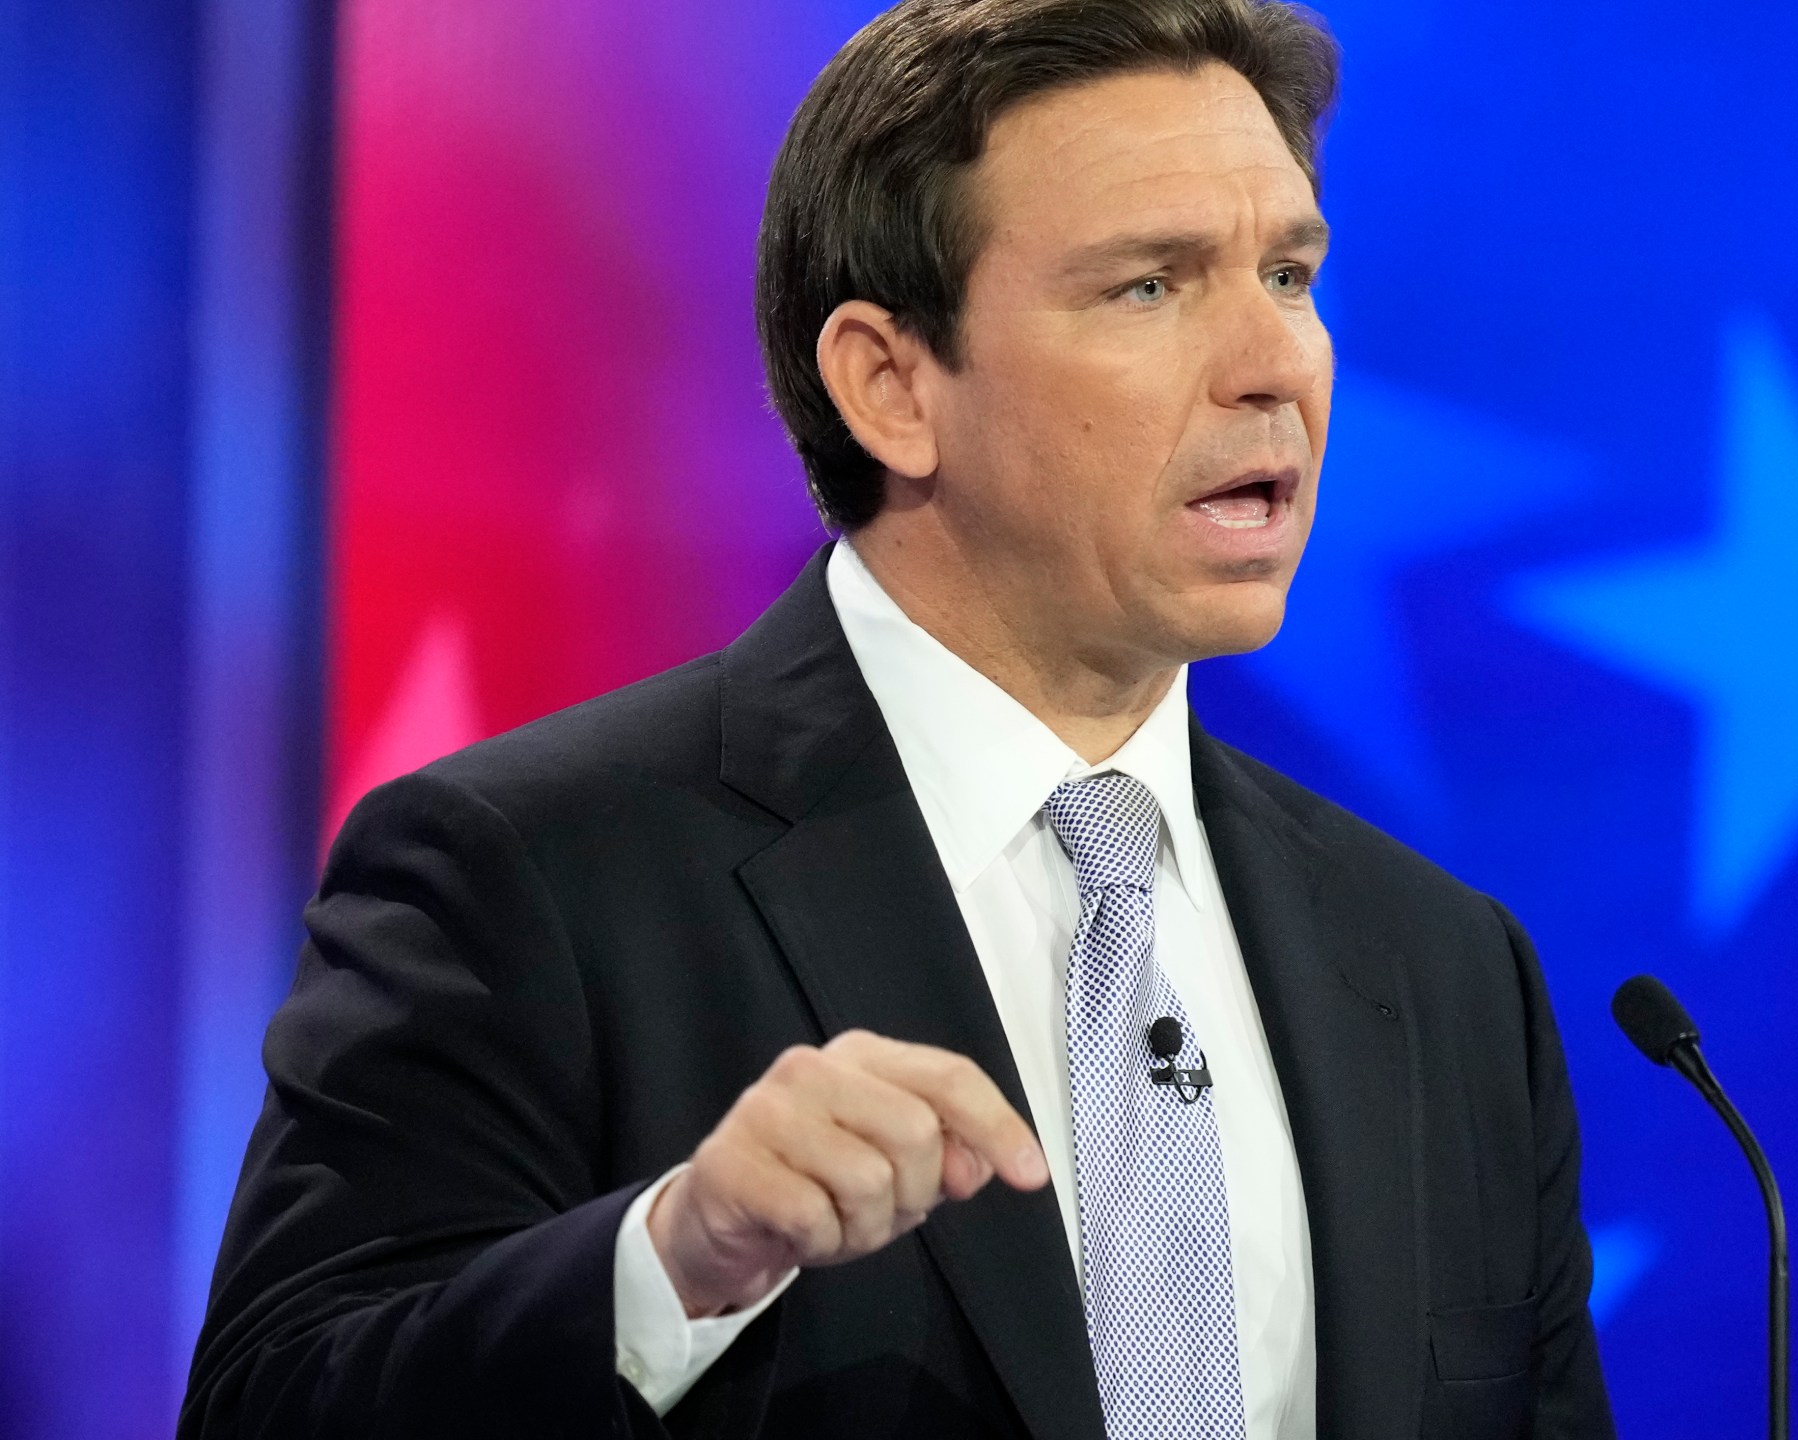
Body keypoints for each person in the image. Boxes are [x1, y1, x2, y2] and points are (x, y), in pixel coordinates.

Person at [181, 0, 1612, 1435]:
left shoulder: (1443, 971)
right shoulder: (526, 874)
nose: (1276, 365)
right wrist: (673, 1264)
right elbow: (276, 1406)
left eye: (1290, 274)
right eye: (1150, 288)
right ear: (890, 385)